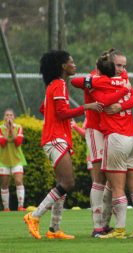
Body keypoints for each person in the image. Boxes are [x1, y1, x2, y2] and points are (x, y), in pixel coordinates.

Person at [23, 50, 102, 240]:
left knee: (62, 184)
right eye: (71, 62)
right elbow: (61, 113)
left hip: (55, 138)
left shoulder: (53, 85)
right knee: (68, 182)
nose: (74, 65)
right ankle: (34, 216)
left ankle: (54, 229)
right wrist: (86, 107)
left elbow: (45, 108)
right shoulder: (59, 85)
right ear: (62, 66)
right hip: (55, 139)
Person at [78, 54, 133, 239]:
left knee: (115, 182)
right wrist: (122, 94)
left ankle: (112, 225)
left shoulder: (122, 78)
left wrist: (119, 106)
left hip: (115, 134)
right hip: (97, 130)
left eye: (124, 66)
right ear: (107, 65)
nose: (121, 69)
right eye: (118, 65)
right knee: (100, 178)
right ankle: (98, 225)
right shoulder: (95, 78)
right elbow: (82, 85)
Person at [0, 109, 27, 212]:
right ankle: (6, 208)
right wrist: (8, 130)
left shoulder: (18, 128)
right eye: (7, 115)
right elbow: (2, 142)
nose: (9, 117)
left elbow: (18, 142)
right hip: (4, 160)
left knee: (19, 181)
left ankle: (20, 206)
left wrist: (11, 129)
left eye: (11, 115)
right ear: (4, 117)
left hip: (17, 159)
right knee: (4, 184)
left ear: (14, 117)